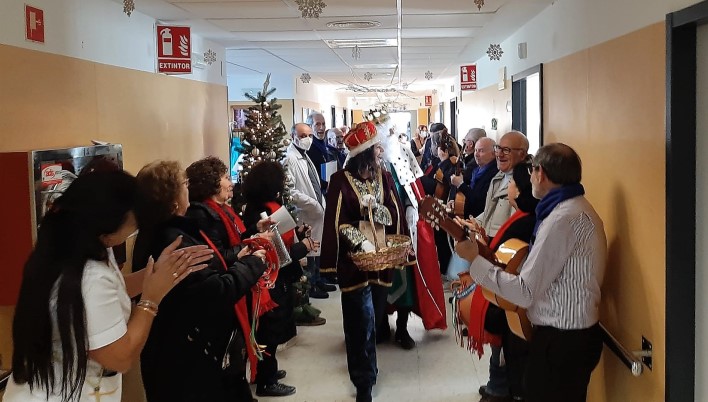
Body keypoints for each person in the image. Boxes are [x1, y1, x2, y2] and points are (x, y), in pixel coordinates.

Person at [4, 171, 211, 402]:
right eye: (132, 225)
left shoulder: (77, 246)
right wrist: (151, 299)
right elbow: (120, 358)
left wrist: (155, 275)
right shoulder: (90, 277)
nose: (134, 231)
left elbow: (114, 291)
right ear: (106, 229)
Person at [455, 143, 607, 402]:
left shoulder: (561, 219)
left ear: (542, 174)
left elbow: (525, 292)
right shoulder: (578, 208)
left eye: (532, 170)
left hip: (562, 341)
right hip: (575, 336)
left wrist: (475, 261)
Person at [131, 161, 268, 402]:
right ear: (173, 201)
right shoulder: (174, 242)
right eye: (184, 184)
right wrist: (253, 264)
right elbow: (216, 290)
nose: (189, 188)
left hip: (184, 353)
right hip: (189, 359)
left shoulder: (164, 231)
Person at [320, 121, 407, 402]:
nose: (379, 155)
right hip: (353, 263)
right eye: (375, 151)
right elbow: (335, 222)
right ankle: (363, 382)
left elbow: (395, 213)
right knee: (358, 323)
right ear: (365, 153)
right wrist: (356, 240)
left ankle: (370, 369)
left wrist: (380, 212)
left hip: (382, 261)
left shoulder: (384, 177)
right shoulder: (340, 181)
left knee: (374, 319)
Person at [457, 162, 538, 402]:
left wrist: (476, 251)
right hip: (505, 288)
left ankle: (500, 387)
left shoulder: (525, 221)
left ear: (521, 189)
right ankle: (498, 384)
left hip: (511, 293)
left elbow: (503, 258)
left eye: (513, 183)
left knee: (504, 337)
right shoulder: (523, 216)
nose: (509, 186)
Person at [242, 160, 321, 397]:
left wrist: (298, 233)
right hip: (271, 279)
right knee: (270, 330)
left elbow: (283, 237)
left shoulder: (269, 206)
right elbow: (275, 253)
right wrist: (303, 247)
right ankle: (266, 380)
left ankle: (268, 371)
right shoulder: (260, 212)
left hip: (279, 277)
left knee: (274, 329)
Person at [283, 123, 333, 299]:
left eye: (309, 135)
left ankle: (317, 280)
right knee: (308, 251)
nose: (308, 140)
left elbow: (313, 182)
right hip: (305, 212)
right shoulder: (290, 158)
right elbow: (290, 191)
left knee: (316, 248)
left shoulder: (304, 155)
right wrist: (312, 203)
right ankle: (310, 285)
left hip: (316, 210)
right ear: (293, 136)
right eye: (303, 136)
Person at [473, 131, 529, 242]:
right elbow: (490, 211)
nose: (499, 154)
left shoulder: (525, 184)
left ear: (522, 155)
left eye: (506, 150)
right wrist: (474, 222)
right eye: (498, 148)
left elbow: (517, 226)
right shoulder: (498, 177)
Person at [450, 137, 499, 219]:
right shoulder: (476, 168)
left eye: (481, 151)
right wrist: (454, 201)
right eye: (476, 150)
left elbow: (480, 202)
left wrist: (461, 184)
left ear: (493, 153)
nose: (476, 154)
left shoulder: (494, 173)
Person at [306, 112, 339, 193]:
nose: (321, 127)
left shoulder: (323, 144)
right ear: (310, 127)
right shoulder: (308, 147)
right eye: (317, 124)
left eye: (323, 124)